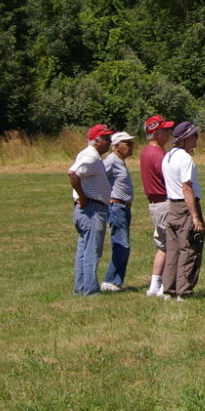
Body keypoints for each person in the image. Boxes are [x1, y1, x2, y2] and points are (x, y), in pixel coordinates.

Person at [68, 124, 114, 296]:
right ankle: (90, 289)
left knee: (84, 250)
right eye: (107, 139)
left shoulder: (88, 155)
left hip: (86, 210)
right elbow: (73, 174)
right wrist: (83, 196)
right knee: (92, 251)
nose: (109, 142)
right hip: (91, 209)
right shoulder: (91, 157)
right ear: (97, 141)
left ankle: (80, 288)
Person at [161, 121, 205, 301]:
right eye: (195, 135)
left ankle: (169, 290)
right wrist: (195, 217)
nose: (197, 139)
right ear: (186, 138)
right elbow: (186, 188)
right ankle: (183, 292)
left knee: (173, 251)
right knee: (189, 248)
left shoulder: (169, 156)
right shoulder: (185, 158)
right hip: (185, 207)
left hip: (172, 207)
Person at [139, 115, 174, 297]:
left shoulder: (146, 152)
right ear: (156, 132)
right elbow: (169, 176)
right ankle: (164, 287)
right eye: (165, 130)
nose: (168, 133)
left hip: (154, 205)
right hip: (164, 204)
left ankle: (154, 286)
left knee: (162, 246)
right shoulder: (158, 154)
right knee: (173, 245)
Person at [100, 132, 135, 292]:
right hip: (116, 207)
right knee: (122, 245)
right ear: (116, 146)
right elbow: (98, 177)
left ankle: (114, 280)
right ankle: (110, 281)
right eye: (127, 143)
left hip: (124, 207)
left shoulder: (120, 161)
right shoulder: (111, 161)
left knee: (123, 244)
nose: (131, 146)